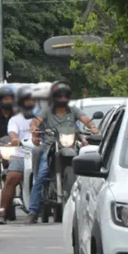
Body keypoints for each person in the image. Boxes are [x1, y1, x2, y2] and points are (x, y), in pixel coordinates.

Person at [26, 81, 99, 224]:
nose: (62, 98)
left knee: (84, 172)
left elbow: (87, 121)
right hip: (51, 146)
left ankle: (83, 207)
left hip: (71, 146)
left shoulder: (74, 111)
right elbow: (35, 122)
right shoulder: (46, 111)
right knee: (41, 176)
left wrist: (93, 127)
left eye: (65, 96)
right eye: (59, 95)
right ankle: (33, 211)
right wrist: (34, 128)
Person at [0, 87, 35, 225]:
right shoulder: (15, 120)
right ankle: (2, 212)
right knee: (12, 178)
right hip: (21, 154)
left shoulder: (41, 117)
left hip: (38, 153)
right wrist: (14, 139)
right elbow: (12, 132)